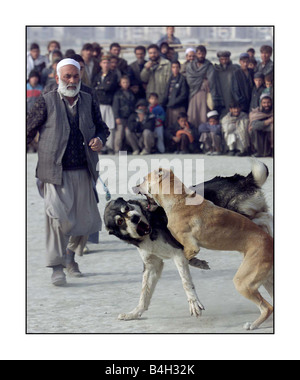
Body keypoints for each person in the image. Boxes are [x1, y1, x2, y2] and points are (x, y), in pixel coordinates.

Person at [26, 58, 109, 286]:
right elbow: (26, 129)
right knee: (57, 218)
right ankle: (56, 267)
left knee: (85, 221)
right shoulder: (46, 101)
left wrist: (99, 139)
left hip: (83, 169)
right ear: (57, 78)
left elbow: (102, 127)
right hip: (54, 172)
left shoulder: (89, 99)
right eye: (67, 77)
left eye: (75, 76)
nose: (72, 81)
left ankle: (70, 257)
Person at [186, 45, 223, 128]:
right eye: (199, 54)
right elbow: (190, 80)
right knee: (193, 116)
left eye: (203, 54)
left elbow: (212, 81)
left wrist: (206, 82)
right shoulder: (190, 66)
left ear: (205, 54)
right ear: (196, 54)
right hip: (194, 94)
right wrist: (203, 80)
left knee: (204, 116)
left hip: (205, 95)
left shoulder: (209, 66)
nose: (201, 56)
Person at [92, 55, 119, 154]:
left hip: (109, 104)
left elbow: (109, 87)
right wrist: (101, 88)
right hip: (99, 104)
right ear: (100, 64)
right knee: (99, 125)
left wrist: (100, 88)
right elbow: (93, 88)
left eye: (107, 62)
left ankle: (110, 146)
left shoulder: (113, 76)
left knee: (110, 126)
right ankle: (100, 146)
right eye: (104, 63)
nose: (106, 65)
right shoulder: (97, 76)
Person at [112, 75, 136, 153]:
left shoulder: (131, 93)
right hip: (121, 116)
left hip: (129, 117)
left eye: (127, 82)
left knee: (128, 133)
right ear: (120, 83)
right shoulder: (117, 94)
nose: (125, 84)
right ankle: (117, 149)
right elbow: (115, 106)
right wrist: (116, 117)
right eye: (124, 82)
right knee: (119, 133)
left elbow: (133, 105)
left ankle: (128, 148)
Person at [162, 60, 189, 130]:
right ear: (171, 68)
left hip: (178, 106)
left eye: (177, 67)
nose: (175, 69)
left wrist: (173, 102)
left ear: (179, 68)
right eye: (173, 67)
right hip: (169, 106)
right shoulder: (170, 78)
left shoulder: (182, 79)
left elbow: (183, 94)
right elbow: (166, 92)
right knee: (169, 125)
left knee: (178, 126)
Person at [214, 50, 239, 118]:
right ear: (219, 60)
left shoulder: (235, 69)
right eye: (222, 59)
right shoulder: (216, 70)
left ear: (229, 59)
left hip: (232, 96)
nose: (224, 61)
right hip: (220, 96)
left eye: (226, 59)